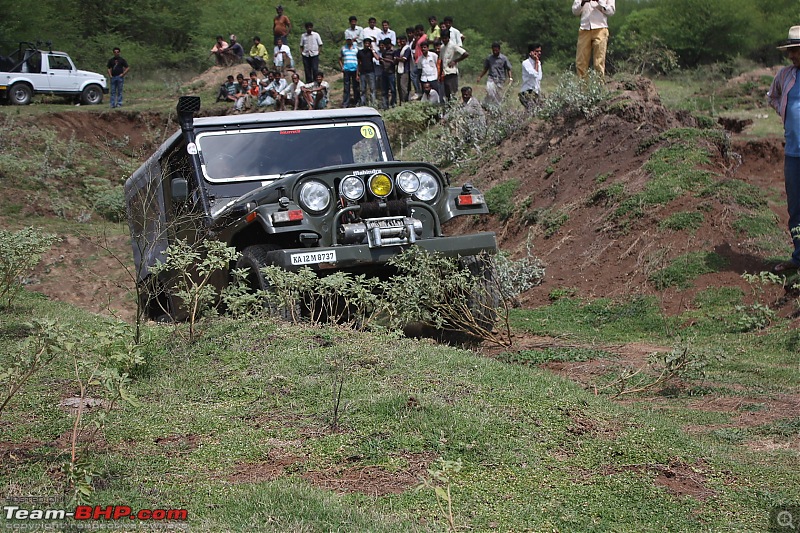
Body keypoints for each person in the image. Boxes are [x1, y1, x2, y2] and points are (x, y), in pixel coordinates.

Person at [769, 26, 800, 273]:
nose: (792, 56)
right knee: (795, 207)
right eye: (790, 51)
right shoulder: (785, 76)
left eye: (796, 51)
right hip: (793, 153)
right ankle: (799, 258)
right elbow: (773, 96)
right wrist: (785, 112)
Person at [572, 0, 615, 79]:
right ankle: (583, 89)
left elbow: (611, 11)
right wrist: (582, 3)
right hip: (584, 28)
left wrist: (600, 3)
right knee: (581, 62)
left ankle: (599, 88)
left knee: (599, 62)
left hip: (600, 28)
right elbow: (575, 11)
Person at [477, 42, 512, 107]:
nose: (495, 52)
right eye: (493, 50)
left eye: (496, 50)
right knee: (489, 91)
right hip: (491, 77)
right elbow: (486, 68)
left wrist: (510, 78)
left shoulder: (504, 58)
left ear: (499, 50)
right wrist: (480, 76)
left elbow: (508, 68)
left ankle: (496, 107)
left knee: (498, 95)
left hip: (500, 79)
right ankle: (486, 104)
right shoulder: (489, 58)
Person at [439, 29, 469, 103]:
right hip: (445, 73)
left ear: (448, 38)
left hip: (452, 72)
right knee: (447, 94)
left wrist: (455, 61)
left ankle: (454, 109)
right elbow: (441, 60)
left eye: (446, 38)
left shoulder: (453, 45)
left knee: (453, 93)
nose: (444, 40)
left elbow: (465, 54)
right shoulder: (442, 47)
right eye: (443, 38)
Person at [519, 43, 542, 109]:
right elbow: (534, 74)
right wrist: (536, 62)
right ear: (531, 52)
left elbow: (539, 77)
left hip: (536, 92)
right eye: (537, 51)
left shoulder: (538, 63)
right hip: (527, 91)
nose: (539, 53)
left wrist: (537, 62)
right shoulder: (526, 63)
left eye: (540, 51)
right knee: (531, 111)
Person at [357, 37, 379, 106]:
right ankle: (363, 103)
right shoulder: (360, 52)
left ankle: (373, 103)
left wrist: (372, 49)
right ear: (363, 44)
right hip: (362, 72)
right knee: (363, 89)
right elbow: (358, 63)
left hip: (371, 72)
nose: (367, 45)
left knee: (372, 88)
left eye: (368, 44)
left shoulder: (371, 52)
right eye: (366, 43)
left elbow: (377, 58)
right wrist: (357, 73)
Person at [340, 37, 360, 107]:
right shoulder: (343, 48)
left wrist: (358, 70)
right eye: (348, 40)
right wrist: (342, 67)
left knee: (356, 87)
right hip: (346, 70)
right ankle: (346, 103)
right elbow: (340, 58)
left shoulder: (356, 48)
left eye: (350, 40)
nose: (349, 41)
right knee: (346, 87)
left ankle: (357, 101)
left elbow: (359, 60)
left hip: (355, 69)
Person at [379, 39, 398, 109]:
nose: (386, 46)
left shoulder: (394, 51)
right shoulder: (384, 52)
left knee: (393, 89)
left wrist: (385, 60)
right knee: (384, 90)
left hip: (391, 72)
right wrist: (381, 61)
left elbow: (394, 62)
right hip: (384, 72)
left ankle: (393, 104)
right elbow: (382, 61)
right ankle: (385, 105)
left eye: (387, 45)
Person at [411, 24, 427, 96]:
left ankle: (418, 91)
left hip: (421, 60)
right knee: (419, 76)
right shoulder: (419, 38)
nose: (417, 33)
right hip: (417, 59)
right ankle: (421, 91)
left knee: (413, 74)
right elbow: (413, 46)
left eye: (418, 31)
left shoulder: (424, 37)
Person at [396, 34, 413, 104]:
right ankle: (401, 101)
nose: (402, 43)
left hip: (405, 70)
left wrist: (397, 58)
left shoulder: (407, 49)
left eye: (403, 41)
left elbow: (404, 59)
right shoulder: (400, 50)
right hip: (399, 70)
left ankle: (405, 101)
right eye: (401, 41)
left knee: (404, 87)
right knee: (399, 87)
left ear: (406, 41)